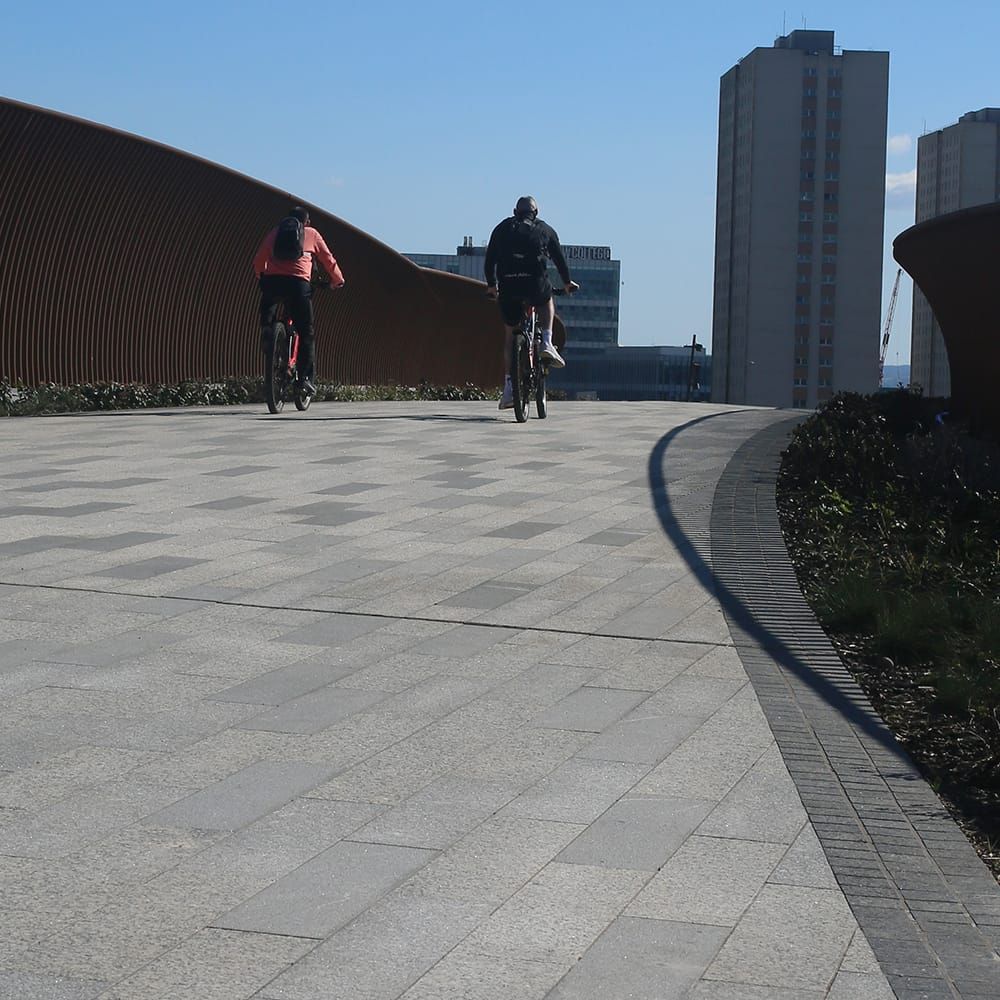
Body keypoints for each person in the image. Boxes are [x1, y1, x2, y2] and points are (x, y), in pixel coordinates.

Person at [484, 196, 578, 410]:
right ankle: (546, 340)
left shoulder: (502, 228)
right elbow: (559, 259)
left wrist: (492, 285)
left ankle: (509, 389)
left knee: (510, 334)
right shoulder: (544, 229)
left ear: (515, 211)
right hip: (534, 285)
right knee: (546, 300)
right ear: (536, 212)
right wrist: (566, 283)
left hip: (508, 286)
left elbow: (490, 260)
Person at [253, 206, 345, 396]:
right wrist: (337, 280)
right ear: (307, 222)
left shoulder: (275, 232)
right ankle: (304, 379)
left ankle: (268, 334)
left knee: (268, 310)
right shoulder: (311, 233)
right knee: (306, 332)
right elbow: (328, 259)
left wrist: (262, 276)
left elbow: (259, 259)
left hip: (273, 282)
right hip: (298, 285)